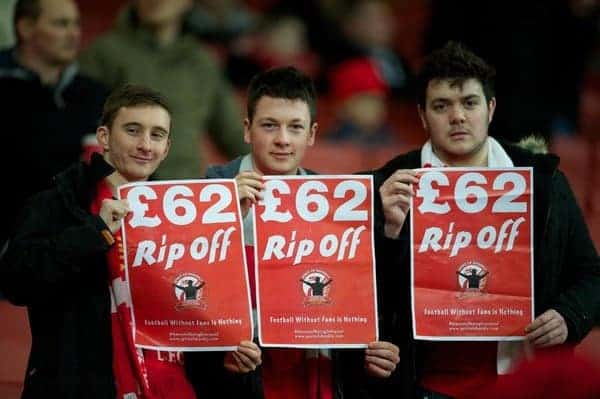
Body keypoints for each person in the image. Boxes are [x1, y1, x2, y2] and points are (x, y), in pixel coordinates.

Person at [372, 41, 600, 398]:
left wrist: (568, 316)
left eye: (469, 103)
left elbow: (590, 275)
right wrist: (385, 231)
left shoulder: (543, 179)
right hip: (422, 386)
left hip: (520, 381)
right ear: (422, 115)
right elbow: (360, 292)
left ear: (490, 108)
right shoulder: (388, 183)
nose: (458, 116)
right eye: (441, 106)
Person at [185, 66, 401, 399]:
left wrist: (367, 354)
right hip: (237, 383)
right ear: (247, 129)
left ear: (312, 134)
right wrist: (221, 222)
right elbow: (183, 301)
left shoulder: (337, 203)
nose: (283, 139)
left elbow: (353, 302)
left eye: (295, 127)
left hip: (315, 374)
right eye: (270, 125)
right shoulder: (205, 197)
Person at [0, 84, 191, 398]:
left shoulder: (185, 215)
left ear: (167, 148)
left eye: (157, 135)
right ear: (104, 137)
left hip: (164, 385)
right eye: (133, 130)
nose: (145, 145)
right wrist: (95, 231)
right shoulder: (56, 202)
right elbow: (15, 281)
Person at [78, 0, 248, 179]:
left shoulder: (201, 62)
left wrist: (272, 169)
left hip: (185, 192)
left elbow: (232, 135)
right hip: (123, 191)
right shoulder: (103, 54)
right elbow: (81, 130)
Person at [0, 0, 109, 248]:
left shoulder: (95, 93)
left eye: (77, 24)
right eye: (61, 24)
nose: (74, 33)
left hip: (75, 244)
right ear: (26, 27)